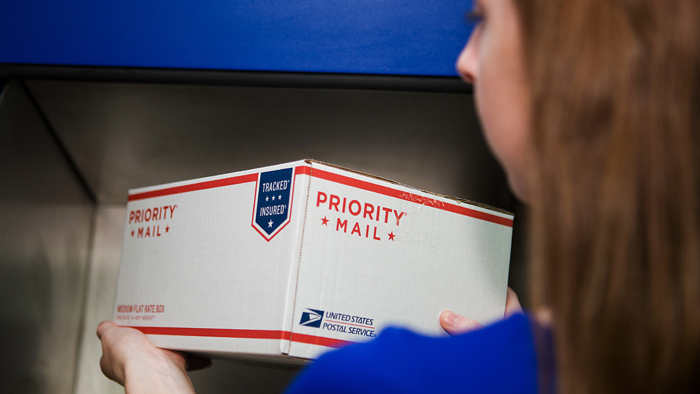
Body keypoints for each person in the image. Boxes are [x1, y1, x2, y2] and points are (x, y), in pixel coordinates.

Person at [97, 0, 700, 392]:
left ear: (577, 57)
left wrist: (154, 377)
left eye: (482, 20)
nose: (464, 61)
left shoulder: (378, 382)